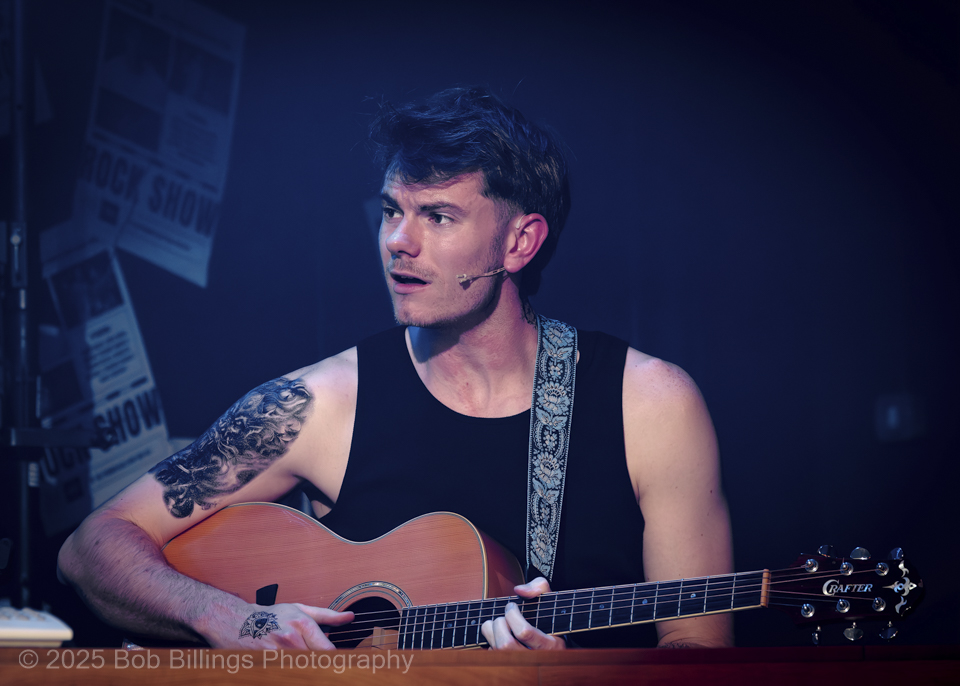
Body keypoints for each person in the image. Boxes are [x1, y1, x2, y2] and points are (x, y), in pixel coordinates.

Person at [58, 86, 733, 651]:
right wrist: (228, 616)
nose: (397, 242)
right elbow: (92, 546)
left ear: (519, 242)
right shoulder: (317, 406)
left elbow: (698, 651)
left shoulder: (650, 406)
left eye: (438, 217)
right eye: (391, 211)